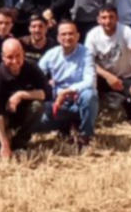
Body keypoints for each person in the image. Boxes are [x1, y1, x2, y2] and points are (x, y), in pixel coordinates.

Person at [38, 20, 97, 149]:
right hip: (58, 102)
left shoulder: (86, 54)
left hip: (78, 99)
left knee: (90, 95)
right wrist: (45, 83)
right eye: (63, 34)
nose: (67, 37)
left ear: (78, 36)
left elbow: (90, 81)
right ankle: (66, 127)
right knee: (41, 119)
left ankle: (85, 135)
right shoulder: (51, 54)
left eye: (71, 34)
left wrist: (68, 91)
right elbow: (37, 74)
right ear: (58, 37)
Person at [86, 5, 131, 122]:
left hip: (126, 77)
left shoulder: (126, 31)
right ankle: (106, 103)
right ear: (98, 20)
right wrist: (108, 76)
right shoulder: (92, 35)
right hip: (103, 78)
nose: (107, 21)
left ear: (117, 18)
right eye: (104, 18)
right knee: (89, 86)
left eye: (111, 17)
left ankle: (120, 103)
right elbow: (88, 61)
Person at [0, 39, 47, 158]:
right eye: (9, 57)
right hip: (4, 117)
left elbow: (44, 93)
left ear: (23, 53)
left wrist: (20, 94)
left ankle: (20, 142)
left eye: (18, 55)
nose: (15, 61)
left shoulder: (32, 66)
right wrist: (4, 143)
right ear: (2, 57)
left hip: (23, 114)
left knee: (38, 106)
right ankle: (2, 141)